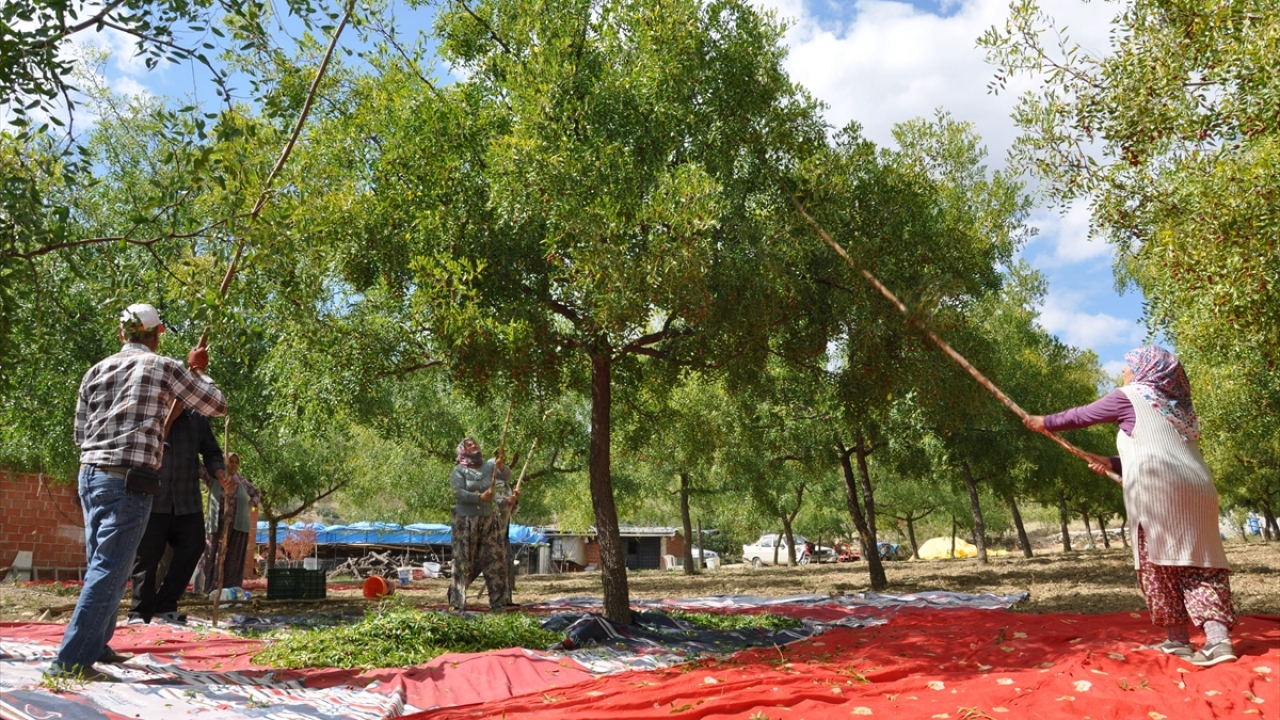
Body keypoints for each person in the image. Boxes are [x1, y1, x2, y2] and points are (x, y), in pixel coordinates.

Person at [1024, 345, 1236, 667]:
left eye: (1127, 365)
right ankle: (1210, 641)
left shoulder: (1131, 394)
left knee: (1157, 562)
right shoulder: (1174, 408)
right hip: (1197, 490)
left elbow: (1083, 415)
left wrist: (1045, 421)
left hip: (1158, 490)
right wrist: (1109, 463)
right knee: (1199, 559)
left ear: (1144, 369)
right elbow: (1156, 451)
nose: (1123, 371)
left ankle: (1191, 640)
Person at [50, 304, 227, 682]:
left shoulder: (95, 370)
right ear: (157, 333)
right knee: (109, 570)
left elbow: (80, 435)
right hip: (130, 481)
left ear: (121, 335)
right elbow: (216, 405)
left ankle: (95, 645)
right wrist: (199, 370)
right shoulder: (164, 367)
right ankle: (71, 662)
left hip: (91, 475)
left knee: (103, 564)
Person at [127, 409, 231, 625]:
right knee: (146, 557)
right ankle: (140, 612)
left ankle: (166, 604)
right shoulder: (149, 412)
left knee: (193, 547)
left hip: (187, 500)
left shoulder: (197, 419)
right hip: (153, 499)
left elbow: (211, 452)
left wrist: (219, 471)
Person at [448, 438, 519, 610]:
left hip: (488, 518)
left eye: (476, 444)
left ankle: (499, 601)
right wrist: (478, 498)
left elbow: (507, 476)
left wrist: (501, 466)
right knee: (464, 560)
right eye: (469, 445)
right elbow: (457, 492)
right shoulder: (459, 471)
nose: (474, 446)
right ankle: (457, 601)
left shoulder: (489, 467)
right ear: (463, 451)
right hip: (465, 521)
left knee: (495, 558)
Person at [201, 453, 261, 595]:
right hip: (217, 526)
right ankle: (212, 590)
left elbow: (256, 493)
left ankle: (231, 591)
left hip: (237, 526)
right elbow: (200, 469)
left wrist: (251, 503)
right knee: (213, 556)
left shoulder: (242, 483)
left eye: (236, 462)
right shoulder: (213, 479)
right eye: (230, 462)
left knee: (233, 559)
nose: (233, 465)